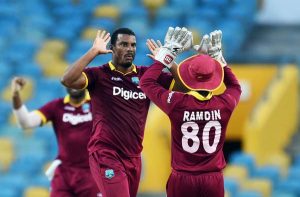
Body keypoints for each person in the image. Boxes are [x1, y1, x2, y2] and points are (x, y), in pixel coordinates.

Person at [60, 27, 192, 197]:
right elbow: (67, 79)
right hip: (106, 154)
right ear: (112, 48)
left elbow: (184, 88)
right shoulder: (99, 74)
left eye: (133, 45)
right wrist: (93, 52)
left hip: (134, 157)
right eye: (124, 44)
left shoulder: (146, 76)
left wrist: (169, 61)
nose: (130, 49)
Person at [140, 30, 242, 197]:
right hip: (213, 180)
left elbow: (146, 82)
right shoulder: (225, 104)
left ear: (189, 77)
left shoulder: (177, 103)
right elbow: (235, 86)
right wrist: (219, 59)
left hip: (183, 179)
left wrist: (167, 55)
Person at [11, 77, 99, 197]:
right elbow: (26, 123)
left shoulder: (98, 104)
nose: (73, 83)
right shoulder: (56, 106)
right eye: (71, 79)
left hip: (92, 172)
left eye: (77, 79)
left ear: (86, 82)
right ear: (64, 83)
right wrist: (15, 95)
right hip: (64, 173)